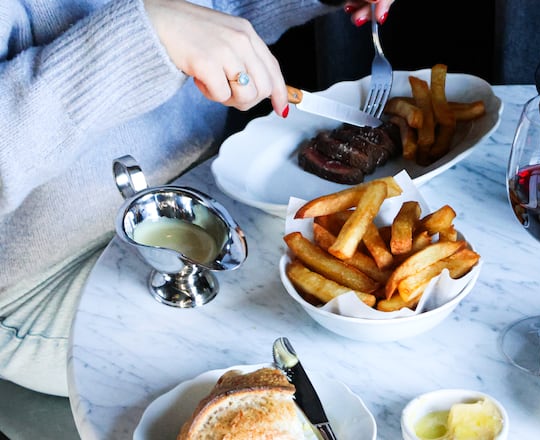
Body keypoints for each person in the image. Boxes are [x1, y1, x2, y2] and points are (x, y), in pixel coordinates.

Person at [0, 0, 395, 397]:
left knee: (373, 323)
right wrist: (150, 35)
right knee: (306, 365)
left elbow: (220, 11)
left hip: (202, 192)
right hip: (45, 280)